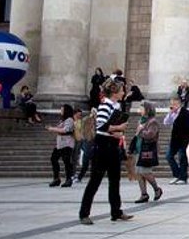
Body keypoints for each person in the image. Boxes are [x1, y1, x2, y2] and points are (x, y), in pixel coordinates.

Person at [79, 80, 132, 224]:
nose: (123, 92)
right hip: (102, 147)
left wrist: (118, 133)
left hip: (113, 145)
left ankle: (116, 211)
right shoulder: (105, 105)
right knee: (95, 181)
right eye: (122, 90)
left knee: (115, 180)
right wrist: (118, 127)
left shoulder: (116, 105)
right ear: (115, 92)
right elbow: (101, 126)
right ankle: (84, 213)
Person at [132, 101, 162, 203]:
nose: (139, 110)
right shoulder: (141, 120)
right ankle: (144, 194)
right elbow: (137, 134)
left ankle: (157, 189)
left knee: (145, 171)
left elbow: (151, 135)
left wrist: (141, 130)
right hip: (139, 149)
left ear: (147, 110)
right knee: (139, 173)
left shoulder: (152, 122)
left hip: (147, 149)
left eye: (141, 108)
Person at [164, 96, 189, 185]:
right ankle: (177, 175)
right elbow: (166, 122)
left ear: (179, 103)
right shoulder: (172, 113)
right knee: (169, 156)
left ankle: (183, 178)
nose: (173, 106)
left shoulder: (187, 113)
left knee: (182, 159)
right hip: (174, 140)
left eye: (175, 104)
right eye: (172, 104)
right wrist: (170, 113)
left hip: (184, 140)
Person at [45, 104, 76, 187]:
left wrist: (52, 129)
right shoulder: (63, 120)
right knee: (53, 158)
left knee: (66, 162)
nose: (61, 111)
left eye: (62, 110)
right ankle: (56, 178)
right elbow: (60, 129)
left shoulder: (69, 120)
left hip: (67, 143)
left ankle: (68, 179)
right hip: (60, 144)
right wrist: (53, 128)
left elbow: (65, 130)